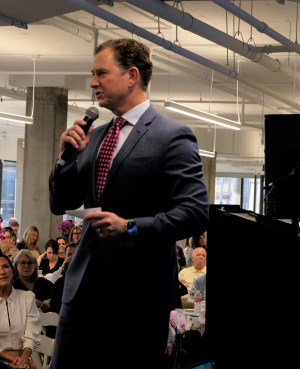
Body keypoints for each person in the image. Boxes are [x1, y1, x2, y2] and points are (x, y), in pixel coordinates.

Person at [48, 38, 209, 369]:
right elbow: (60, 202)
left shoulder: (172, 135)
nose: (93, 82)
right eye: (93, 74)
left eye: (102, 73)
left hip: (138, 298)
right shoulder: (95, 135)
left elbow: (195, 213)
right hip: (81, 294)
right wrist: (64, 161)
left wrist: (131, 226)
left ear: (132, 76)